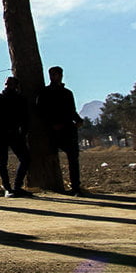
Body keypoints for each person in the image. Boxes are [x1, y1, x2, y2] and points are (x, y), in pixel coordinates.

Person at [37, 65, 85, 195]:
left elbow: (71, 110)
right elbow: (41, 112)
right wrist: (51, 125)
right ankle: (56, 186)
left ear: (61, 75)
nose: (56, 77)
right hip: (52, 131)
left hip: (67, 129)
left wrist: (78, 120)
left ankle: (76, 187)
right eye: (53, 74)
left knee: (73, 159)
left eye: (57, 74)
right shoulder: (45, 93)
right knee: (52, 157)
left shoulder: (67, 93)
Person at [0, 76, 31, 197]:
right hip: (1, 135)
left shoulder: (20, 99)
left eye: (10, 84)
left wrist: (23, 133)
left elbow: (25, 118)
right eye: (6, 84)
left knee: (25, 159)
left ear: (16, 86)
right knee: (3, 162)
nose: (7, 86)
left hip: (15, 134)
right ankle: (8, 188)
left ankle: (17, 187)